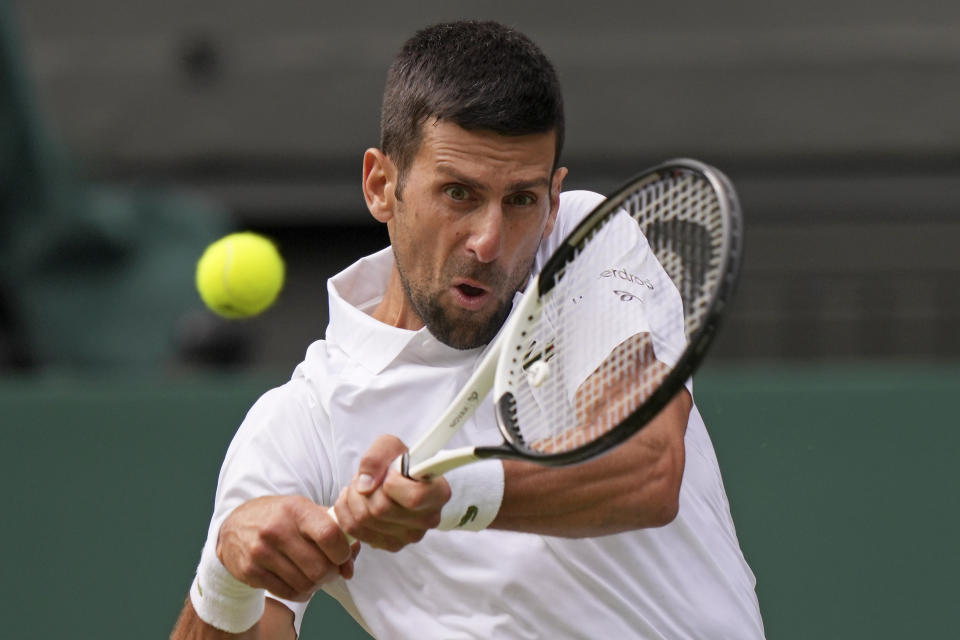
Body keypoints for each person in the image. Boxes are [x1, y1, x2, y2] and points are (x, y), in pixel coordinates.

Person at [171, 20, 765, 640]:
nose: (488, 241)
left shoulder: (580, 246)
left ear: (554, 199)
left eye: (522, 200)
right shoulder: (303, 425)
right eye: (458, 193)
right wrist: (226, 574)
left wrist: (451, 494)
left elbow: (645, 469)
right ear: (382, 185)